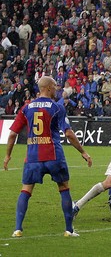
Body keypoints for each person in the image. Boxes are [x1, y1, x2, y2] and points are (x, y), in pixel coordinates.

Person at [3, 76, 93, 238]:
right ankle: (68, 230)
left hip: (32, 157)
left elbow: (12, 135)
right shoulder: (57, 107)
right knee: (64, 188)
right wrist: (83, 152)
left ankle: (17, 229)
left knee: (26, 190)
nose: (57, 89)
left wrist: (7, 156)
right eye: (55, 87)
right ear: (49, 88)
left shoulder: (27, 107)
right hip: (54, 155)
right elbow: (69, 134)